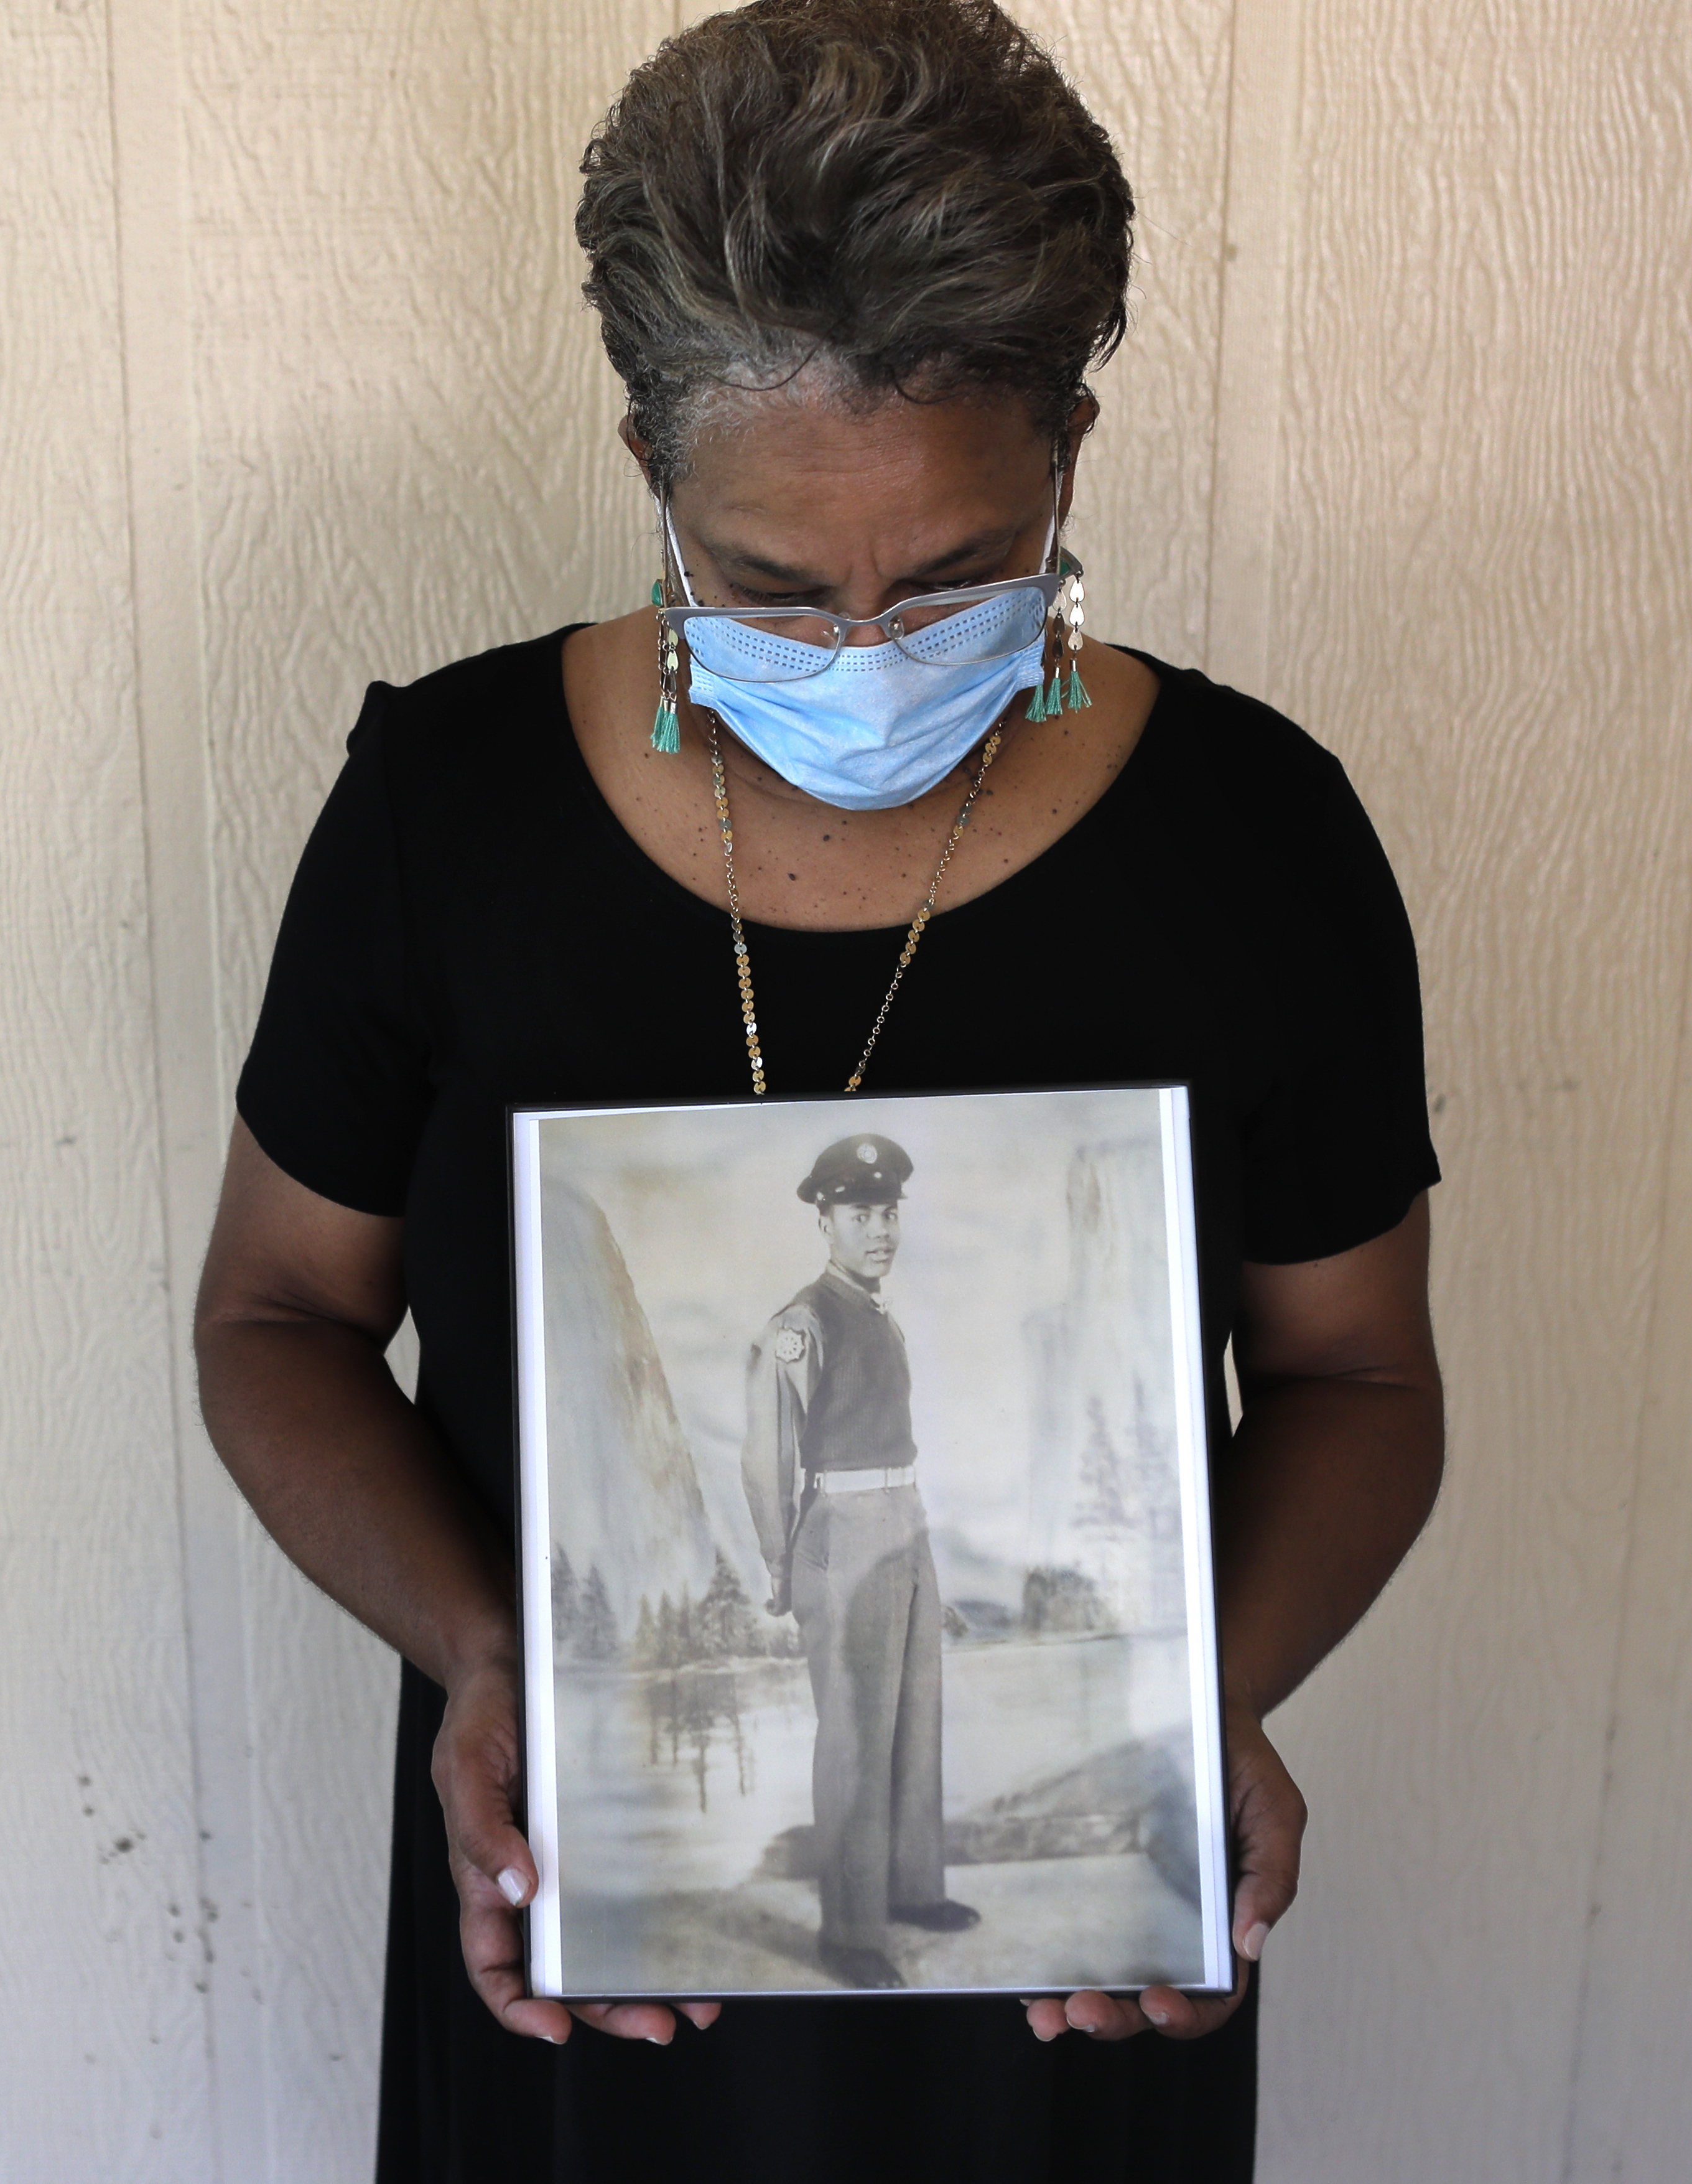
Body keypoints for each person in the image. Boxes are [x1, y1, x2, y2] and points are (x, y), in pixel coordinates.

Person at [193, 1, 1446, 2175]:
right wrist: (491, 1661)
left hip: (1070, 2027)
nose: (862, 652)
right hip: (589, 1966)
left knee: (912, 1755)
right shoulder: (445, 815)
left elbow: (1354, 1379)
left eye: (956, 577)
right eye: (770, 586)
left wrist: (1184, 1711)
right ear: (644, 463)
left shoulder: (1259, 842)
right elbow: (270, 1322)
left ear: (1066, 445)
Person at [740, 1132, 975, 1989]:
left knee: (916, 1719)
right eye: (860, 1212)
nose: (879, 1229)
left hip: (904, 1521)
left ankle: (911, 1891)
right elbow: (768, 1457)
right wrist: (777, 1562)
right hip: (843, 1529)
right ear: (824, 1218)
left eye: (888, 1212)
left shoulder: (880, 1313)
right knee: (853, 1736)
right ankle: (848, 1931)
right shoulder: (801, 1324)